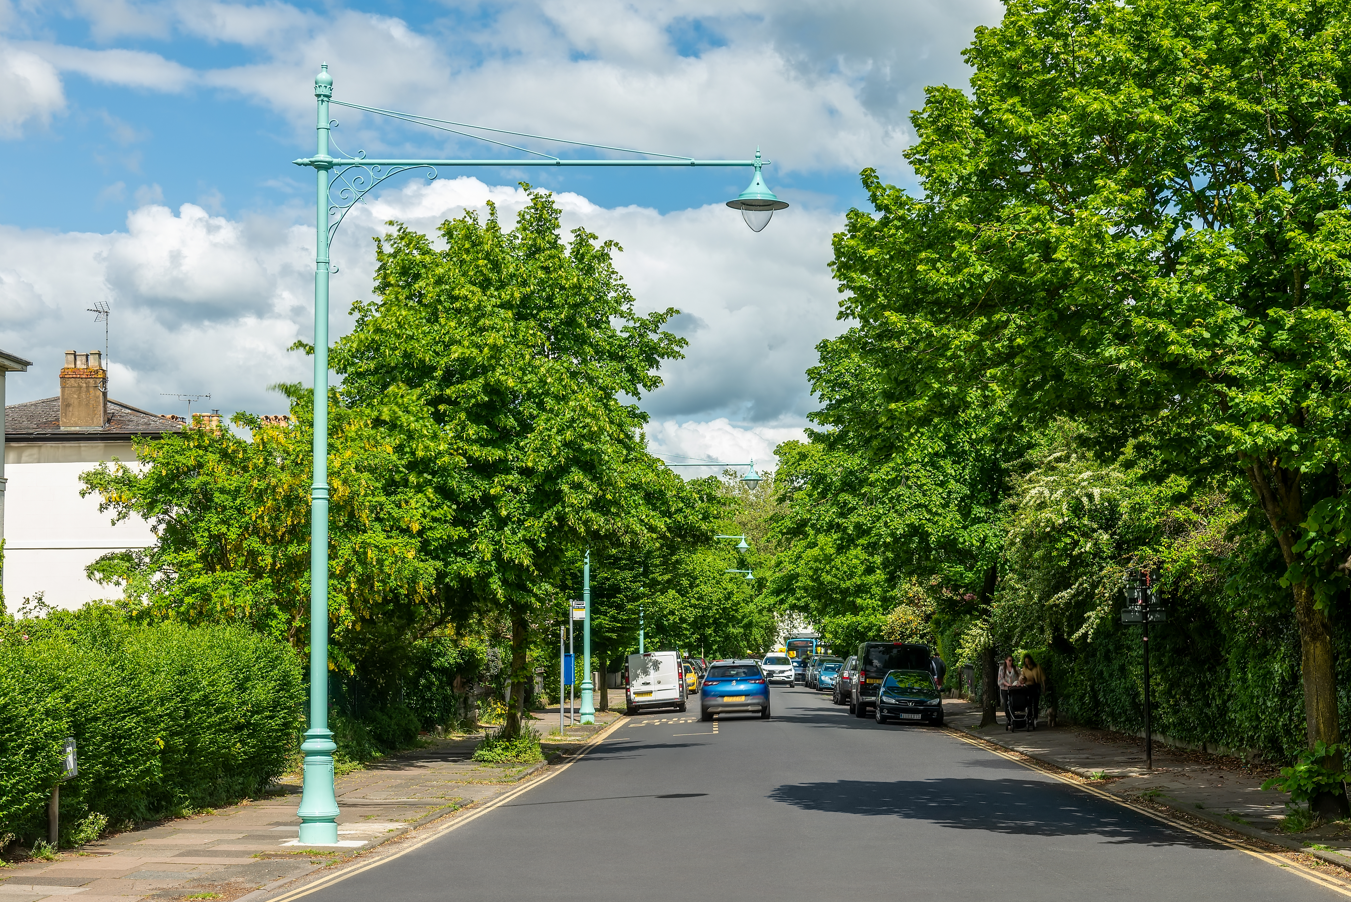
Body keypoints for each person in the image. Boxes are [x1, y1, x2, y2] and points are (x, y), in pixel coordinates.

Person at [1021, 653, 1047, 729]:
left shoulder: (1037, 667)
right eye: (1026, 661)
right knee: (1028, 703)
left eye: (1028, 660)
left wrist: (1044, 687)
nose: (1027, 662)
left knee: (1035, 703)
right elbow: (1022, 678)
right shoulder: (1024, 669)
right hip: (1028, 687)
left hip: (1036, 686)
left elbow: (1042, 678)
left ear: (1031, 660)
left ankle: (1035, 718)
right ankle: (1029, 718)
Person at [998, 655, 1019, 724]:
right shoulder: (1002, 669)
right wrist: (1007, 684)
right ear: (1006, 660)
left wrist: (1017, 683)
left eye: (1012, 660)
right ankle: (1009, 719)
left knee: (1013, 703)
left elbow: (1020, 677)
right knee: (1006, 705)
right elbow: (1001, 679)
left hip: (1013, 689)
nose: (1011, 662)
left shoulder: (1015, 668)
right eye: (1009, 660)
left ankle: (1013, 718)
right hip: (1005, 689)